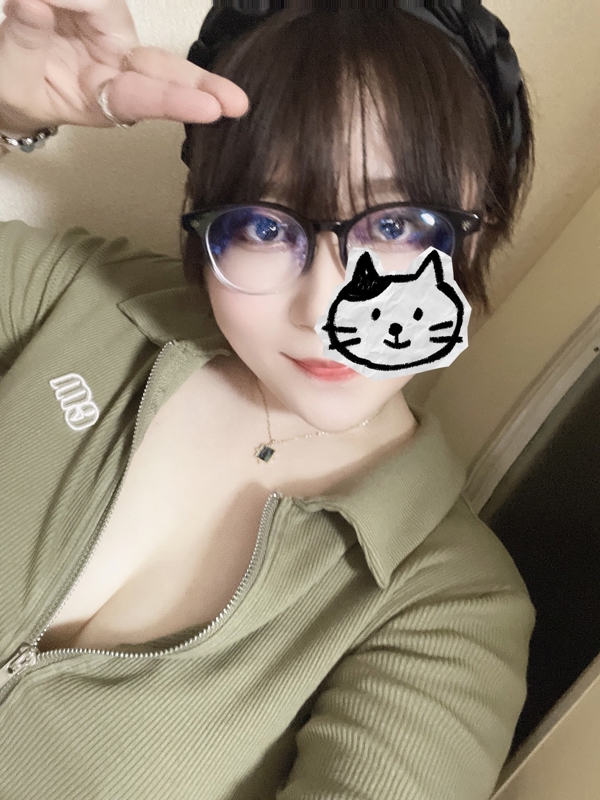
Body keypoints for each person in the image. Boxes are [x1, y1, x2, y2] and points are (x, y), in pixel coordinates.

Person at [0, 1, 536, 798]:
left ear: (482, 223)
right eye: (266, 226)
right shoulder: (73, 300)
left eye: (396, 226)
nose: (323, 309)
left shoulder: (446, 606)